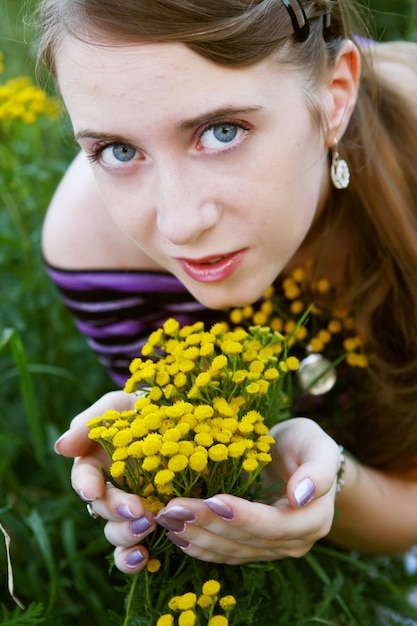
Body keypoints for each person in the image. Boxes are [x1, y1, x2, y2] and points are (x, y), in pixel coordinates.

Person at [37, 0, 417, 576]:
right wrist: (198, 455)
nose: (178, 224)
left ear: (335, 97)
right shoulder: (97, 249)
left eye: (221, 131)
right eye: (117, 150)